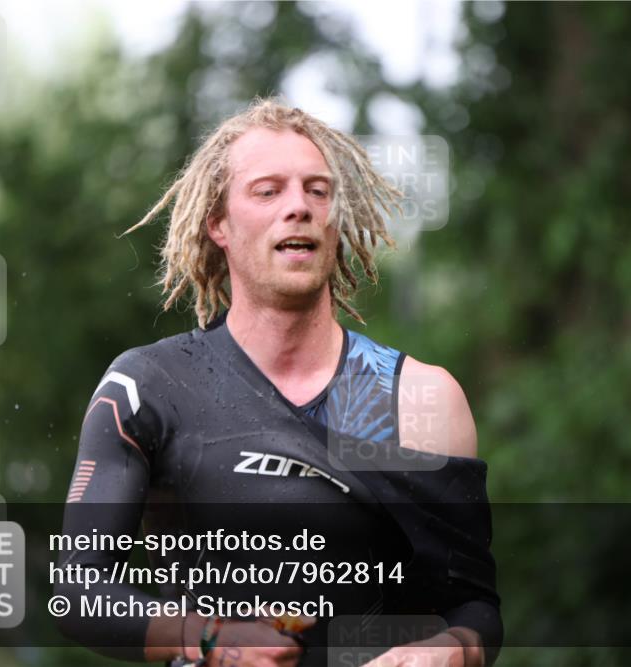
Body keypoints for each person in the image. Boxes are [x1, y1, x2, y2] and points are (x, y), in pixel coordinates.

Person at [54, 98, 501, 667]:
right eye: (268, 191)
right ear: (218, 223)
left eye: (318, 191)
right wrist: (212, 640)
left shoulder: (416, 399)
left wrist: (451, 653)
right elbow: (78, 596)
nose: (300, 207)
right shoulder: (153, 386)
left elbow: (474, 608)